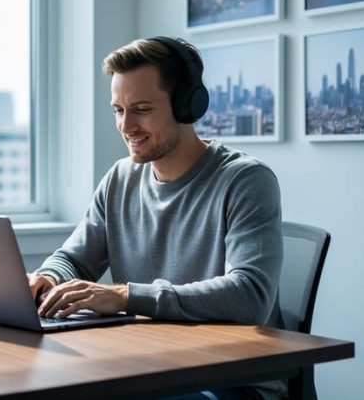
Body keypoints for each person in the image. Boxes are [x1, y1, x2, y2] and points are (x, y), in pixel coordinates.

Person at [28, 37, 284, 400]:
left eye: (142, 109)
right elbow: (74, 257)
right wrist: (49, 277)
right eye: (118, 110)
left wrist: (124, 296)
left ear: (187, 105)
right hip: (151, 366)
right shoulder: (121, 178)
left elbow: (250, 295)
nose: (126, 125)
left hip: (233, 382)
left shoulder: (245, 180)